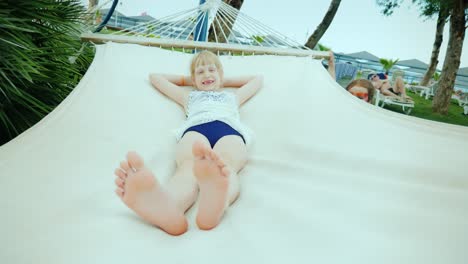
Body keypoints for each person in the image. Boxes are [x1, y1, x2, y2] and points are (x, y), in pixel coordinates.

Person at [113, 50, 263, 235]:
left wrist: (222, 80)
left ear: (220, 74)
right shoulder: (189, 97)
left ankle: (217, 203)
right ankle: (169, 209)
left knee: (226, 166)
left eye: (211, 70)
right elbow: (155, 77)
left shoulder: (233, 97)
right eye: (200, 72)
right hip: (196, 130)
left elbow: (257, 79)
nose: (207, 75)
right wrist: (187, 81)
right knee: (187, 168)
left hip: (229, 130)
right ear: (193, 79)